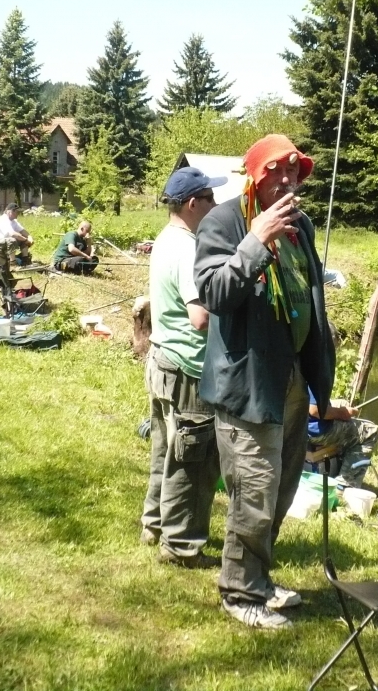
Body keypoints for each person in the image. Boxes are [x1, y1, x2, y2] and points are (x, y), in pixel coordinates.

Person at [194, 133, 335, 630]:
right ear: (255, 176)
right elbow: (214, 293)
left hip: (291, 379)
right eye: (278, 171)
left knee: (282, 489)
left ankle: (258, 578)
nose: (289, 180)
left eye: (295, 171)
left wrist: (321, 379)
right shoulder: (223, 221)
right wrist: (256, 241)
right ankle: (240, 593)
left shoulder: (302, 225)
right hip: (249, 383)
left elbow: (311, 298)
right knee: (253, 491)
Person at [140, 166, 228, 568]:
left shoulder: (165, 238)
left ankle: (154, 524)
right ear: (193, 204)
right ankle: (181, 546)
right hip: (187, 371)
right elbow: (200, 317)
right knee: (192, 462)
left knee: (165, 451)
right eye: (210, 198)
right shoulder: (189, 249)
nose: (216, 204)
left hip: (162, 360)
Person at [307, 391, 378, 488]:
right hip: (312, 432)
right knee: (370, 431)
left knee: (343, 403)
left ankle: (339, 467)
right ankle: (344, 484)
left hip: (296, 421)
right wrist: (343, 413)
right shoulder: (316, 379)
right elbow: (315, 410)